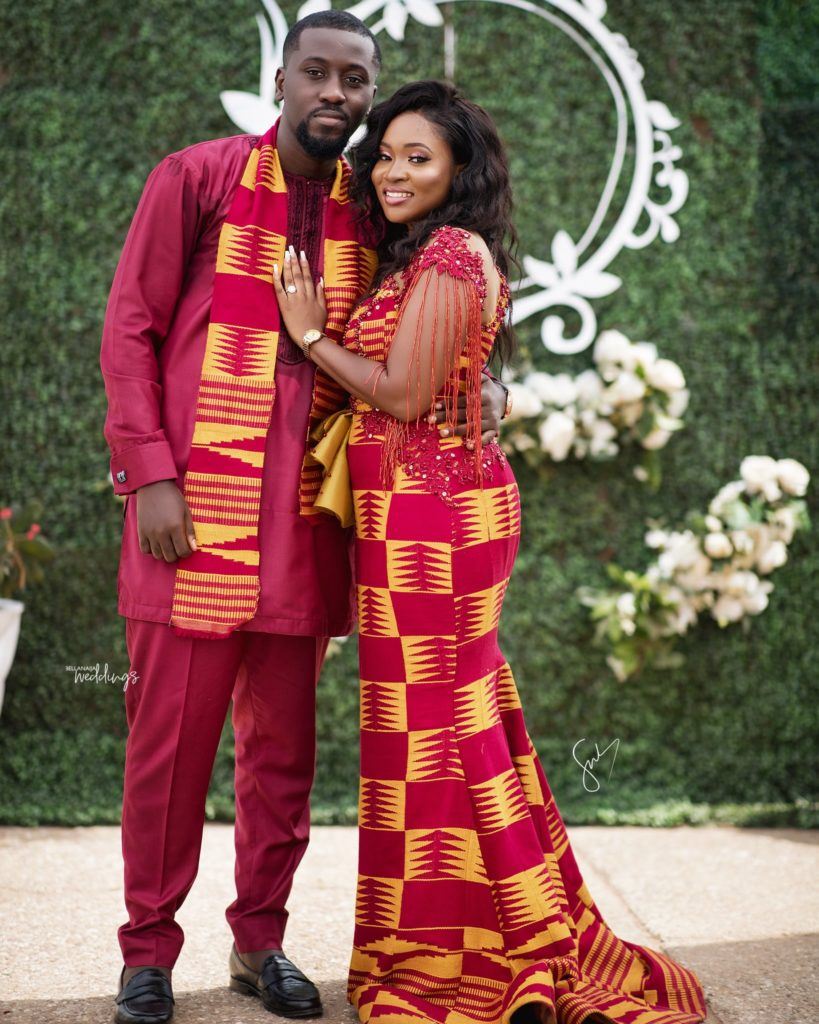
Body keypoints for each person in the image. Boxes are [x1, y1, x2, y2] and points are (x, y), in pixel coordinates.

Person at [100, 13, 513, 1023]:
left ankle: (260, 942)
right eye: (316, 73)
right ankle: (147, 953)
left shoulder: (372, 212)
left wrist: (490, 388)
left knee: (281, 758)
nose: (335, 92)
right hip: (192, 520)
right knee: (168, 754)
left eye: (354, 79)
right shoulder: (196, 178)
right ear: (281, 78)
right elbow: (131, 327)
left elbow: (433, 324)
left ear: (370, 92)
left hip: (307, 529)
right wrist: (150, 475)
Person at [272, 80, 709, 1024]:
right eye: (386, 155)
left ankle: (485, 945)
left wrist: (307, 335)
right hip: (407, 515)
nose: (392, 172)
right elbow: (445, 380)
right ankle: (456, 932)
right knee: (426, 729)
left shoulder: (452, 252)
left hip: (438, 523)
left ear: (460, 170)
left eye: (418, 158)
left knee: (441, 728)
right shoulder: (420, 255)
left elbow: (399, 393)